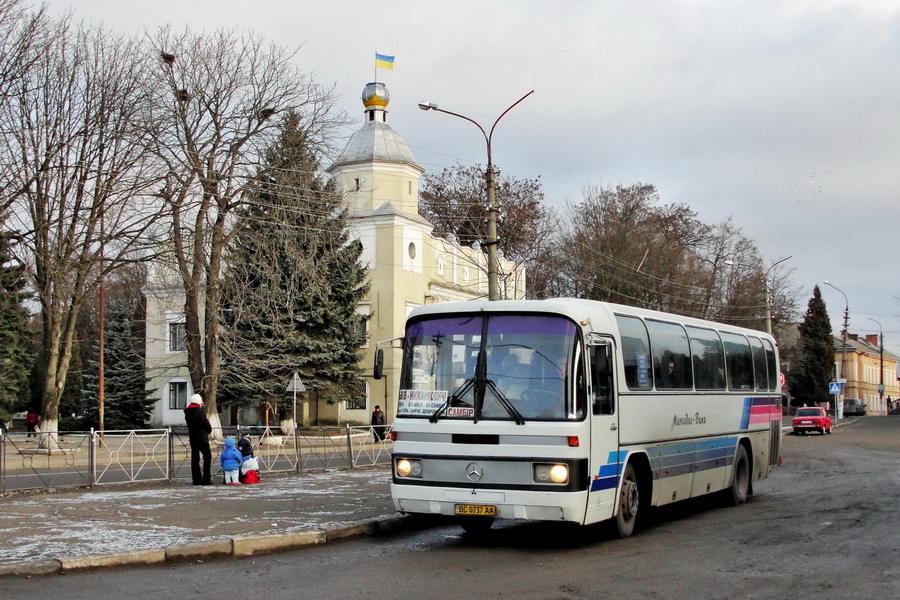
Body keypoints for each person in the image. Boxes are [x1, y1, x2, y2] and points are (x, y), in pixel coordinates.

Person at [183, 394, 212, 485]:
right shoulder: (200, 412)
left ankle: (196, 480)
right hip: (202, 438)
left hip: (193, 438)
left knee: (195, 459)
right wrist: (209, 430)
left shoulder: (187, 412)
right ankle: (206, 479)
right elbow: (206, 424)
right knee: (207, 457)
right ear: (198, 401)